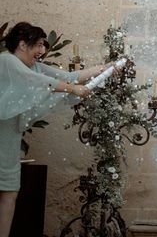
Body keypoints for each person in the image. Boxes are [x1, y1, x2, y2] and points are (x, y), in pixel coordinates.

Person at [0, 22, 106, 237]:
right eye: (38, 45)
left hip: (10, 138)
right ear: (22, 44)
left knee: (10, 192)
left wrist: (107, 68)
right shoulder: (7, 60)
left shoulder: (34, 66)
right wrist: (73, 89)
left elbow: (70, 77)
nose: (42, 51)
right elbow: (38, 81)